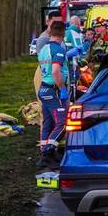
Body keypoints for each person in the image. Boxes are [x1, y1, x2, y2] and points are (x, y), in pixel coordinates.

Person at [36, 20, 68, 169]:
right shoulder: (57, 49)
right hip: (53, 90)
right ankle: (48, 152)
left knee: (48, 123)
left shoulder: (44, 48)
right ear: (63, 33)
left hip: (43, 89)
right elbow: (56, 71)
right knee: (63, 122)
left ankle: (45, 155)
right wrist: (62, 88)